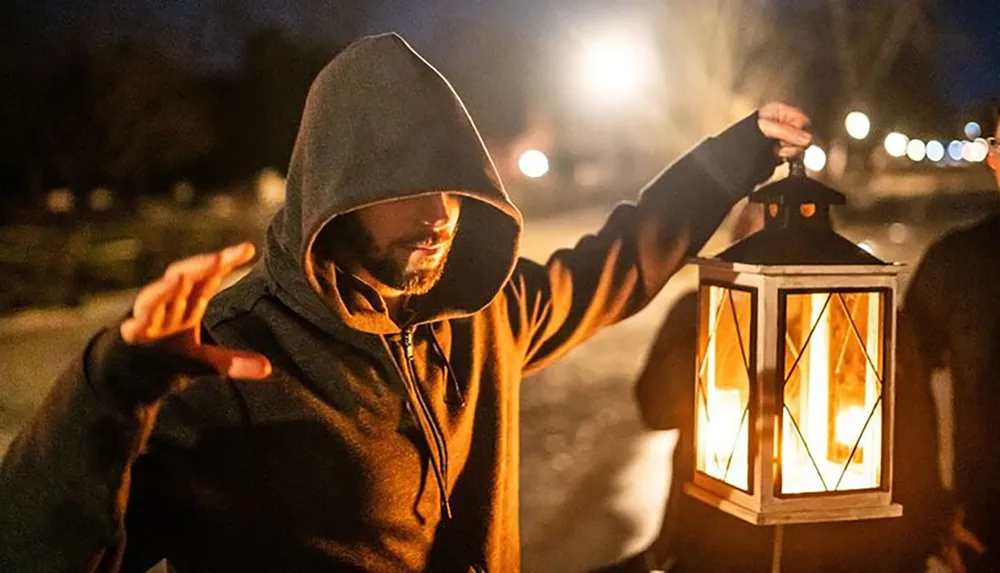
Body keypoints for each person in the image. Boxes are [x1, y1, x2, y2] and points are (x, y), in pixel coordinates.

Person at [0, 33, 812, 572]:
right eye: (407, 193)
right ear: (336, 194)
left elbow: (617, 263)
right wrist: (111, 391)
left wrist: (731, 159)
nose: (438, 219)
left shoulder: (481, 309)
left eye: (454, 191)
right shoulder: (226, 358)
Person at [897, 105, 1000, 573]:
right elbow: (901, 381)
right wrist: (930, 510)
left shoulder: (956, 262)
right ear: (993, 158)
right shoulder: (957, 264)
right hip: (985, 530)